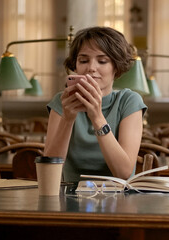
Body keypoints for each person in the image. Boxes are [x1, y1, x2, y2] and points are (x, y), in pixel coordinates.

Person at [44, 26, 147, 182]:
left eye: (102, 61)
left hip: (118, 198)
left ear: (116, 67)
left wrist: (97, 117)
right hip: (71, 197)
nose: (91, 68)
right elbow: (50, 170)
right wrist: (68, 119)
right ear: (75, 65)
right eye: (83, 60)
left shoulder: (129, 101)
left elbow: (124, 172)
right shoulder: (62, 101)